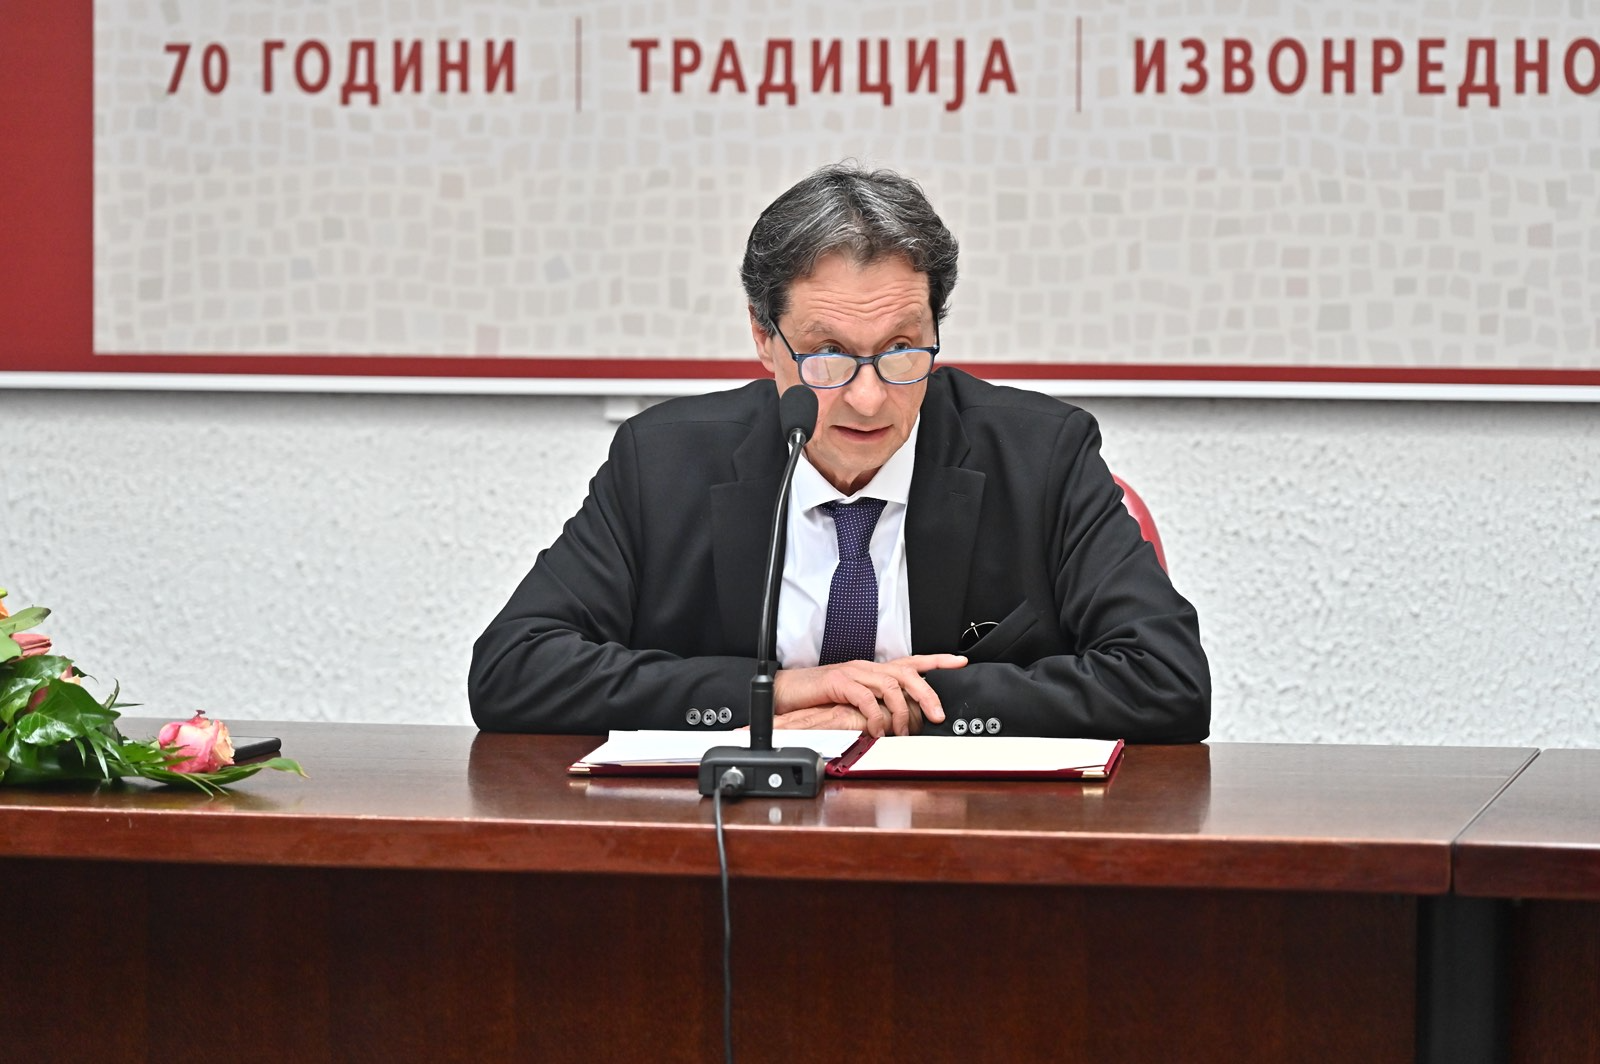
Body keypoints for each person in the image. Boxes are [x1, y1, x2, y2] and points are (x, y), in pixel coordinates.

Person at [470, 164, 1209, 741]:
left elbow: (1168, 681)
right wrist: (775, 694)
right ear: (764, 340)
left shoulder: (1042, 456)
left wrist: (902, 703)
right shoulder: (663, 463)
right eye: (827, 356)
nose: (868, 397)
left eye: (902, 349)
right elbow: (513, 668)